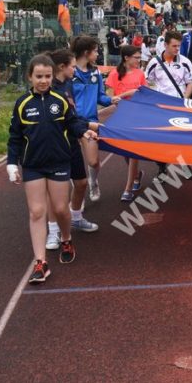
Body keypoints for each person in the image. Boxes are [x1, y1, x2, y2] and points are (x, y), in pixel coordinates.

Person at [8, 55, 98, 286]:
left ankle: (66, 238)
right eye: (38, 76)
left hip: (59, 162)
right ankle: (41, 262)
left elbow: (72, 123)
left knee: (60, 209)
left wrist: (83, 132)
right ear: (30, 77)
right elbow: (15, 138)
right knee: (37, 211)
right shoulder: (22, 104)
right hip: (33, 165)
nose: (43, 80)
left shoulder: (60, 100)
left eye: (47, 76)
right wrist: (11, 163)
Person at [47, 49, 99, 247]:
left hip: (72, 140)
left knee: (81, 183)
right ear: (62, 67)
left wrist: (84, 128)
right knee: (55, 192)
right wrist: (88, 126)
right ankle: (53, 231)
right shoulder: (51, 90)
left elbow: (72, 116)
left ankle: (76, 217)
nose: (74, 69)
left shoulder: (68, 84)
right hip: (55, 145)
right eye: (71, 66)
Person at [72, 36, 118, 203]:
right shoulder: (70, 72)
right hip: (70, 122)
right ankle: (78, 192)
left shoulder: (95, 72)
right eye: (96, 50)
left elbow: (100, 96)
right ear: (86, 52)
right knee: (73, 162)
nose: (98, 53)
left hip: (90, 122)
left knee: (93, 161)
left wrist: (112, 100)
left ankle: (93, 181)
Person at [146, 30, 192, 180]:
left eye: (179, 46)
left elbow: (190, 82)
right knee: (161, 140)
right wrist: (155, 97)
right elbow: (147, 81)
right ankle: (162, 169)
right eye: (174, 46)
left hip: (179, 106)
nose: (176, 49)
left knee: (182, 138)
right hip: (160, 108)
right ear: (165, 45)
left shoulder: (185, 62)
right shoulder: (154, 63)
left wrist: (184, 99)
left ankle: (186, 166)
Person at [105, 45, 146, 202]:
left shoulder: (140, 74)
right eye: (136, 57)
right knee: (124, 152)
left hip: (136, 116)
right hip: (121, 115)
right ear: (126, 58)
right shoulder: (115, 74)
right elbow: (110, 97)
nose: (139, 60)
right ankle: (137, 175)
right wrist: (120, 100)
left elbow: (143, 93)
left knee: (132, 151)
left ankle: (128, 188)